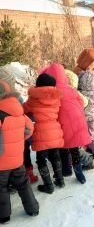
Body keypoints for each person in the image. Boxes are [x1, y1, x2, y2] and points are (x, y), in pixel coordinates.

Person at [39, 63, 91, 184]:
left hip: (63, 123)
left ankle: (66, 170)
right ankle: (80, 175)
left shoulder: (51, 91)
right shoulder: (70, 88)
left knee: (63, 147)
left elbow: (50, 109)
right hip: (78, 119)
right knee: (74, 149)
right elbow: (81, 101)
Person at [0, 76, 39, 224]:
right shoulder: (19, 111)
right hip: (17, 159)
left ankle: (4, 216)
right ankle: (33, 209)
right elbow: (29, 130)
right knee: (23, 183)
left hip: (1, 161)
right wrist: (16, 140)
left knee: (1, 187)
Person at [22, 73, 65, 194]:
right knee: (55, 156)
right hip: (55, 129)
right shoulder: (56, 97)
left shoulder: (34, 98)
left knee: (41, 160)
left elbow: (24, 109)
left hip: (41, 131)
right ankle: (60, 181)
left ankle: (48, 185)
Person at [64, 69, 94, 171]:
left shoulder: (70, 93)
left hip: (72, 122)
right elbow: (84, 102)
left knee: (74, 146)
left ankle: (88, 161)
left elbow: (85, 101)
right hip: (75, 121)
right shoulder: (73, 92)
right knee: (74, 145)